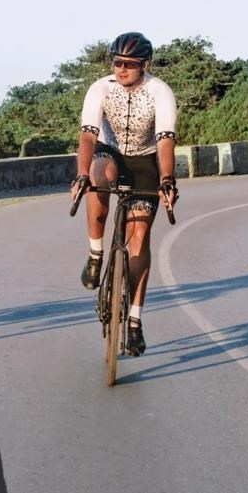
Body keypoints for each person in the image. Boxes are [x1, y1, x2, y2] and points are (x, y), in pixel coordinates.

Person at [71, 32, 179, 356]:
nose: (121, 69)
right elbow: (88, 136)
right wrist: (81, 175)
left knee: (139, 239)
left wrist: (167, 180)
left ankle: (134, 321)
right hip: (110, 153)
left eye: (129, 64)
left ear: (144, 65)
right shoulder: (100, 88)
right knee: (97, 176)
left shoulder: (160, 92)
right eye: (117, 62)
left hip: (146, 160)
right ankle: (96, 254)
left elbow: (165, 140)